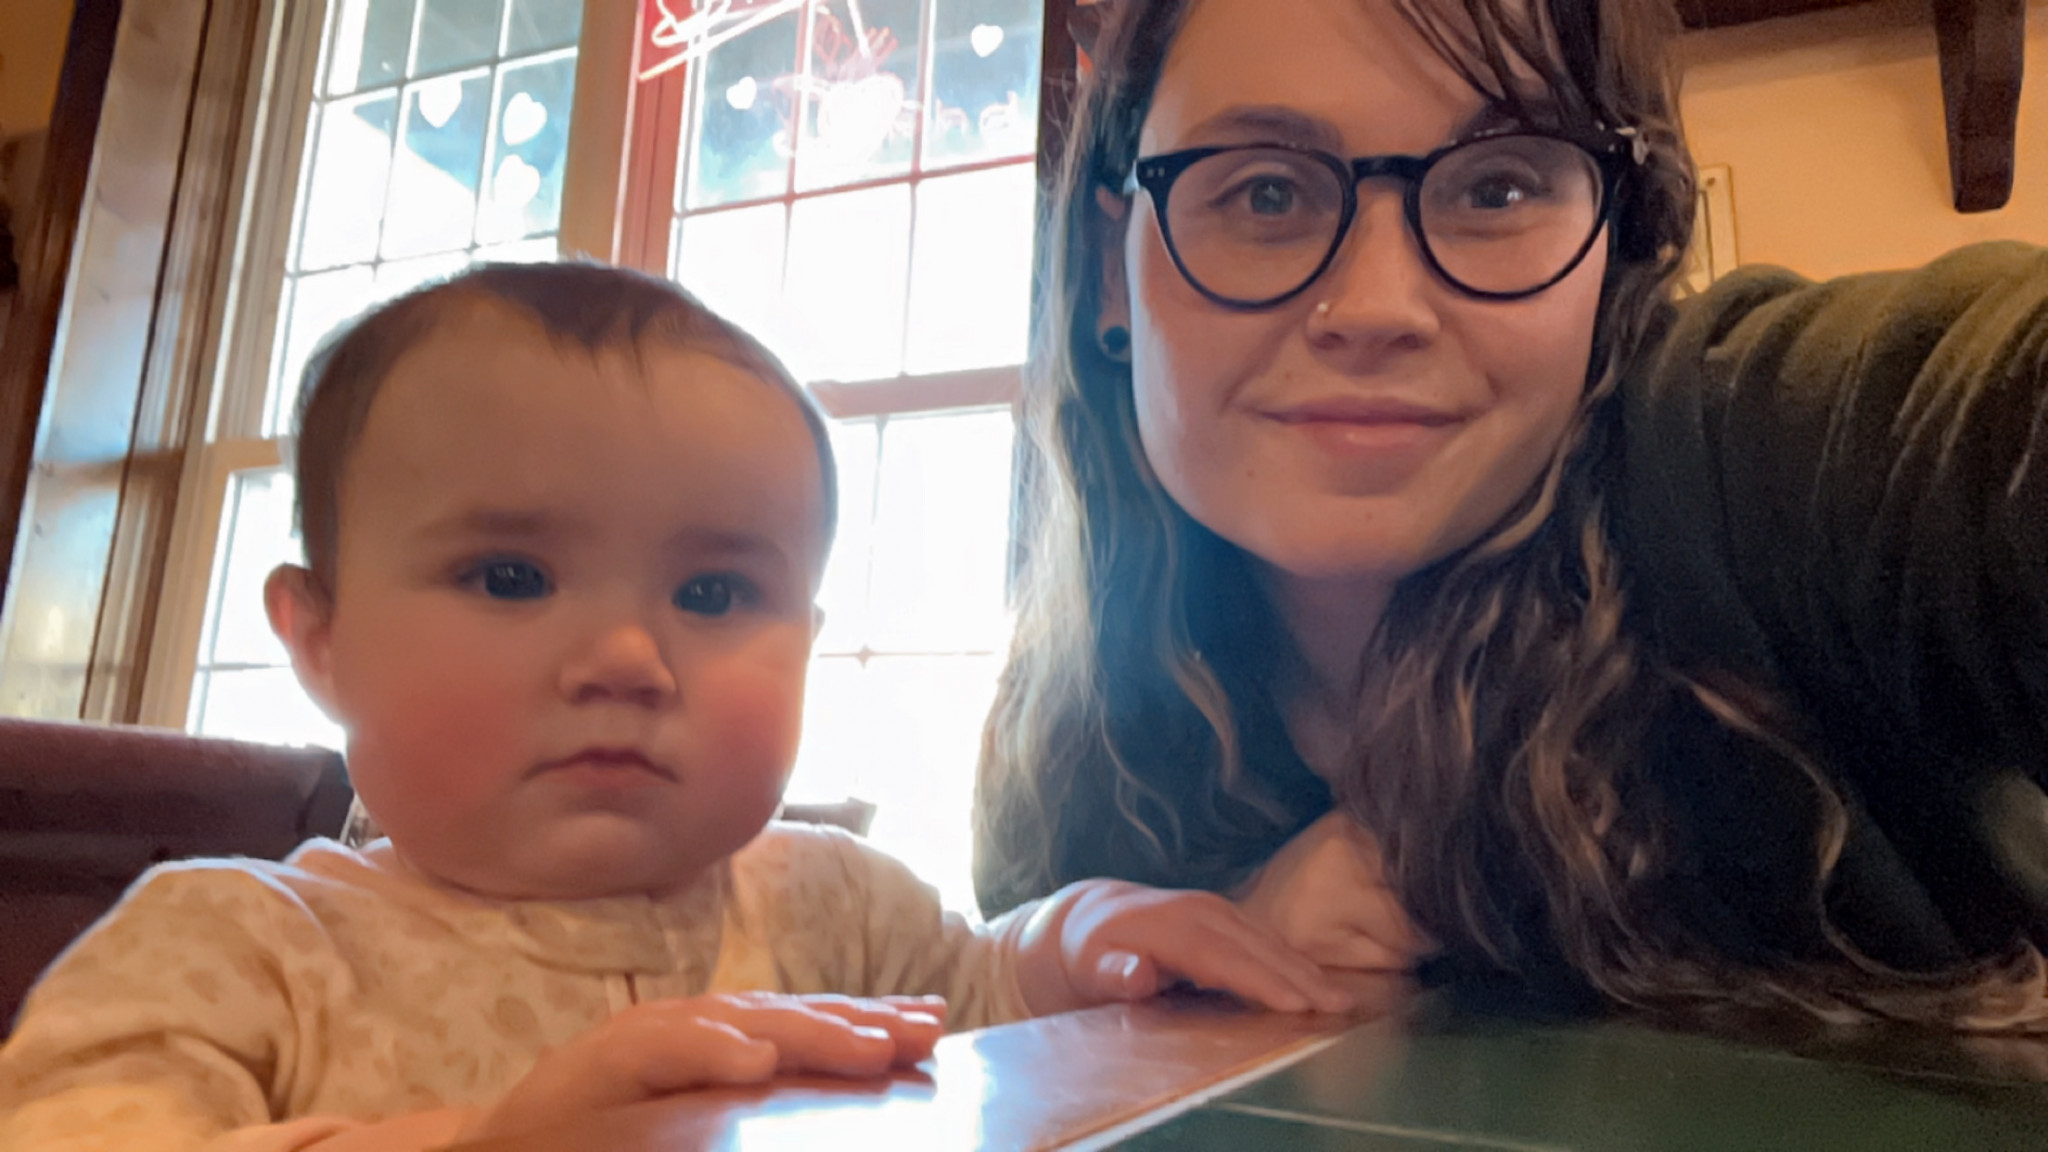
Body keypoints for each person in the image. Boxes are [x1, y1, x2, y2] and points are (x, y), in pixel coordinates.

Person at [0, 264, 1353, 1151]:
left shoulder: (833, 903)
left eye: (712, 593)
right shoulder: (237, 942)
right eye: (511, 576)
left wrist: (1073, 940)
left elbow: (978, 999)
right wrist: (493, 1140)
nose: (628, 659)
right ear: (321, 637)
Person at [975, 0, 2048, 1031]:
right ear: (1107, 274)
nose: (1375, 308)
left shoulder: (1742, 460)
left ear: (1614, 249)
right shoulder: (1077, 766)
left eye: (1495, 189)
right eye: (1264, 194)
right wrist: (1217, 935)